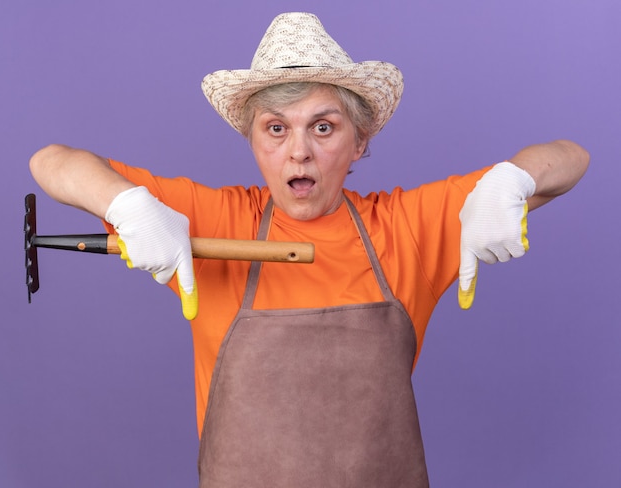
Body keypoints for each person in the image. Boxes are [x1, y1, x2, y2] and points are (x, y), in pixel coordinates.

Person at [29, 12, 589, 488]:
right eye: (275, 129)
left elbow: (571, 157)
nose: (298, 153)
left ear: (360, 141)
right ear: (252, 138)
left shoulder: (408, 228)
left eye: (323, 127)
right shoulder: (217, 222)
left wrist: (512, 179)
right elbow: (51, 162)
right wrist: (127, 204)